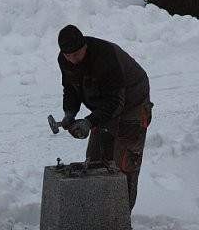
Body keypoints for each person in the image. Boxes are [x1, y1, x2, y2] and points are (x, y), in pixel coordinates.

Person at [57, 24, 153, 209]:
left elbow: (116, 102)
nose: (73, 60)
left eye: (77, 54)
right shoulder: (65, 60)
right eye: (68, 56)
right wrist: (70, 113)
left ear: (85, 46)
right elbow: (70, 88)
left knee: (125, 163)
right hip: (105, 104)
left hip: (133, 102)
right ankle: (97, 215)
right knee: (95, 161)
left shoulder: (106, 57)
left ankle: (120, 220)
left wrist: (89, 121)